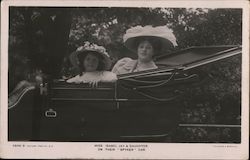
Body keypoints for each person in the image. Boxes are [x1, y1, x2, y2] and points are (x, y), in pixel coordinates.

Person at [112, 25, 178, 75]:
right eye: (141, 47)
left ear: (154, 51)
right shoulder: (124, 63)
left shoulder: (155, 71)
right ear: (137, 49)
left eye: (148, 48)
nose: (144, 50)